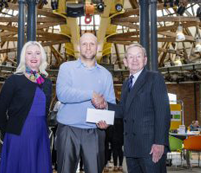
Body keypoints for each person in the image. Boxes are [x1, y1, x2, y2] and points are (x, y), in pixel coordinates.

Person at [93, 43, 171, 173]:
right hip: (131, 148)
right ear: (125, 61)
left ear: (145, 60)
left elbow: (163, 113)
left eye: (138, 56)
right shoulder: (126, 83)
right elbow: (123, 110)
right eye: (131, 56)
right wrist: (105, 105)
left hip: (151, 147)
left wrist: (160, 143)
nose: (134, 60)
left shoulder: (154, 78)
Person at [56, 32, 116, 173]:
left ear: (97, 48)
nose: (88, 47)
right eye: (84, 44)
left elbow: (111, 103)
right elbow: (62, 94)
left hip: (94, 131)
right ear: (78, 47)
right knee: (65, 169)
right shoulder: (66, 68)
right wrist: (90, 94)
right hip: (68, 129)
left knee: (95, 169)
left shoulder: (106, 74)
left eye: (92, 44)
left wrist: (107, 120)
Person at [0, 41, 52, 173]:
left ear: (42, 57)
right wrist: (8, 132)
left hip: (40, 134)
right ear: (24, 57)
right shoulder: (14, 80)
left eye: (37, 53)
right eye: (29, 53)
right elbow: (0, 110)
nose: (33, 56)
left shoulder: (46, 82)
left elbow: (46, 110)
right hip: (18, 134)